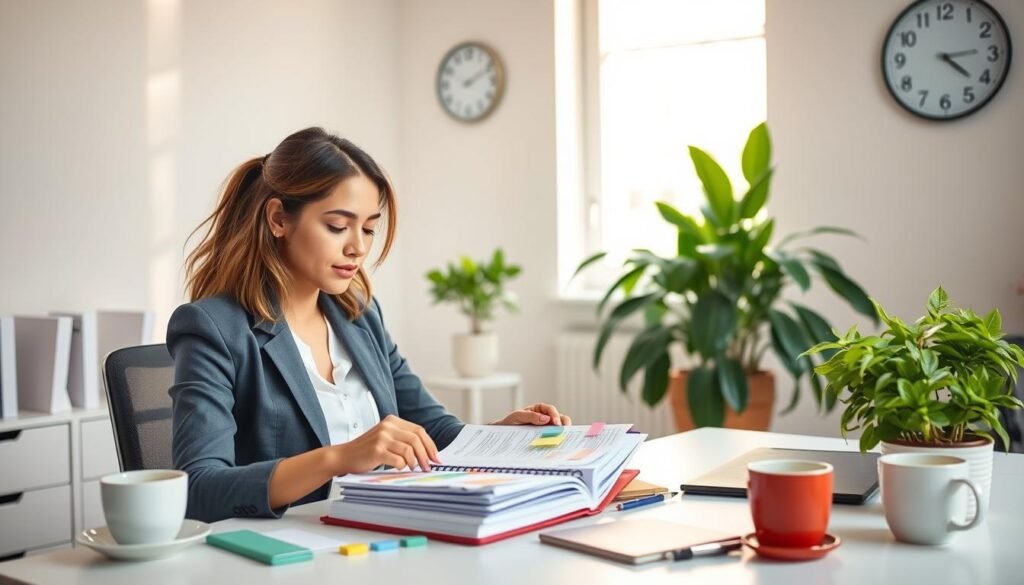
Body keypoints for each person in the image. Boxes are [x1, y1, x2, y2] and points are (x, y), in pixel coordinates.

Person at [168, 127, 571, 523]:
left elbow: (430, 427)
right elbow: (199, 489)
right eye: (337, 227)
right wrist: (340, 457)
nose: (357, 247)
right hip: (289, 556)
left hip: (383, 535)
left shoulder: (358, 314)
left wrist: (502, 438)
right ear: (278, 219)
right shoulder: (212, 328)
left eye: (368, 229)